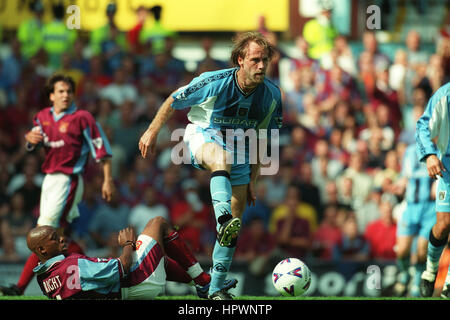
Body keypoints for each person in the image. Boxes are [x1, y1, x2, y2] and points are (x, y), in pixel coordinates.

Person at [138, 32, 282, 299]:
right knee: (221, 161)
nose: (261, 66)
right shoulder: (214, 81)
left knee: (234, 226)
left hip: (242, 146)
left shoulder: (271, 95)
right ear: (240, 59)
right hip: (204, 134)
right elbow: (173, 99)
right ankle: (222, 216)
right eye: (255, 60)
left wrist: (254, 178)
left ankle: (215, 287)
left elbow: (263, 136)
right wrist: (152, 131)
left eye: (265, 60)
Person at [0, 74, 115, 296]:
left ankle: (19, 287)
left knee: (45, 233)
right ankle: (96, 276)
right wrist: (29, 141)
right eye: (61, 91)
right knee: (61, 238)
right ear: (51, 95)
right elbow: (32, 142)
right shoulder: (42, 117)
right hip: (49, 180)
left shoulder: (83, 118)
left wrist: (107, 180)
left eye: (69, 91)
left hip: (69, 179)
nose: (65, 95)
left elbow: (102, 150)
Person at [27, 216, 237, 299]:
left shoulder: (43, 278)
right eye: (54, 238)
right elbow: (122, 267)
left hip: (125, 291)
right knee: (158, 223)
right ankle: (204, 284)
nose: (61, 239)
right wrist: (127, 245)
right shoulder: (72, 265)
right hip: (135, 282)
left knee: (159, 259)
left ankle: (205, 283)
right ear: (43, 250)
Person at [415, 82, 450, 298]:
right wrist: (429, 155)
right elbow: (422, 125)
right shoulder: (445, 95)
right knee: (443, 225)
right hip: (448, 164)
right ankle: (429, 271)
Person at [392, 143, 436, 297]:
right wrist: (398, 186)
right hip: (411, 206)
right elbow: (405, 176)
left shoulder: (440, 148)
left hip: (430, 208)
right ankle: (404, 275)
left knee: (422, 251)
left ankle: (417, 281)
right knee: (402, 249)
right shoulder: (410, 151)